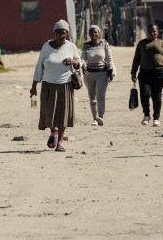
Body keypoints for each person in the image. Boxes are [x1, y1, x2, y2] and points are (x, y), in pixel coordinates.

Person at [30, 20, 82, 152]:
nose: (60, 35)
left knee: (63, 114)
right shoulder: (46, 47)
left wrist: (74, 62)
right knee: (49, 113)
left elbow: (82, 63)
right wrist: (34, 85)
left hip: (65, 85)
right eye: (58, 32)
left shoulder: (71, 47)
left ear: (67, 34)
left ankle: (60, 141)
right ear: (54, 33)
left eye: (63, 33)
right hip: (48, 86)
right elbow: (39, 67)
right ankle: (53, 132)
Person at [130, 23, 163, 127]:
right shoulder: (141, 44)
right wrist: (133, 72)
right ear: (147, 32)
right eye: (150, 31)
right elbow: (136, 59)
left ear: (157, 32)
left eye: (154, 31)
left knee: (156, 95)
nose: (152, 33)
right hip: (144, 73)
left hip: (159, 73)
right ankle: (146, 114)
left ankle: (156, 117)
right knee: (145, 94)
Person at [80, 24, 115, 126]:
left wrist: (110, 71)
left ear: (99, 33)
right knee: (92, 98)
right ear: (89, 34)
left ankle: (101, 116)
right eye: (91, 32)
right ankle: (94, 118)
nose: (93, 34)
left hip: (102, 74)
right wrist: (83, 66)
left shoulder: (104, 43)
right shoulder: (86, 45)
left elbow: (109, 58)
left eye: (95, 32)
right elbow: (82, 59)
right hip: (89, 75)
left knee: (100, 96)